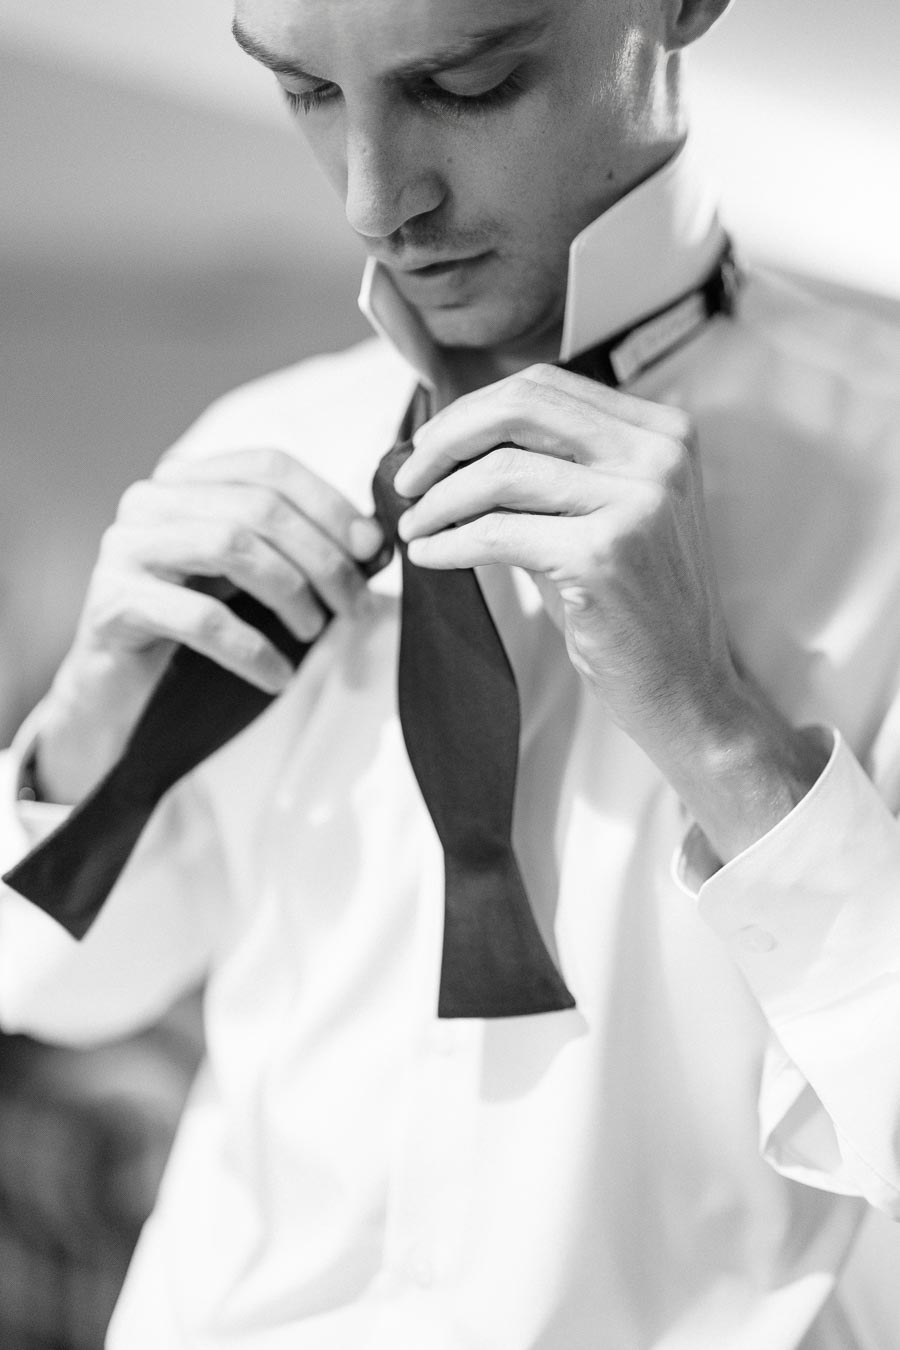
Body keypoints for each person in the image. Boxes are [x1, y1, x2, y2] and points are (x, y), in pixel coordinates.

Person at [1, 0, 900, 1344]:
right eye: (304, 91)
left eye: (470, 84)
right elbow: (76, 984)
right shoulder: (256, 444)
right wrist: (83, 724)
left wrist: (723, 737)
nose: (376, 199)